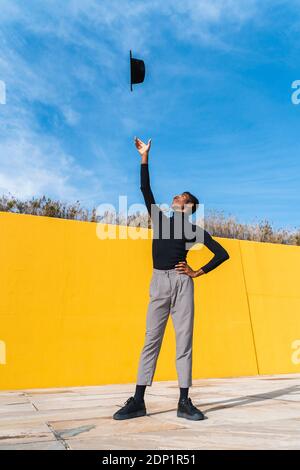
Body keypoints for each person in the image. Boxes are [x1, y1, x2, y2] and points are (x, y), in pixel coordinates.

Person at [113, 137, 230, 421]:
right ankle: (138, 401)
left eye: (182, 197)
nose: (176, 197)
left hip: (181, 284)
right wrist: (144, 156)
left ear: (189, 207)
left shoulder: (193, 229)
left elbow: (222, 253)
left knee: (183, 341)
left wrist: (196, 272)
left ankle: (184, 402)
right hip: (158, 282)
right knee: (151, 339)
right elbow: (145, 188)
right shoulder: (161, 218)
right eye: (177, 195)